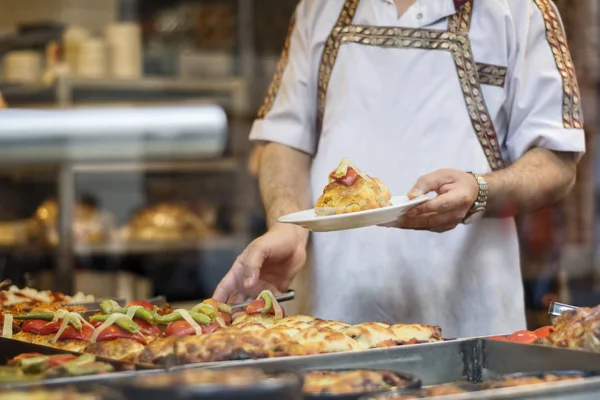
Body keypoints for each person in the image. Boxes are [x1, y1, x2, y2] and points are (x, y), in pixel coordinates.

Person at [213, 0, 585, 338]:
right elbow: (284, 139)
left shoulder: (522, 10)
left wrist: (480, 189)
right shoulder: (319, 7)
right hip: (329, 323)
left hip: (473, 320)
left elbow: (557, 162)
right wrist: (286, 224)